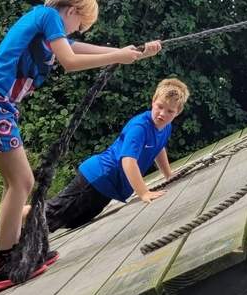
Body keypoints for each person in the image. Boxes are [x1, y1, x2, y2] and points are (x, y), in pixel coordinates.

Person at [0, 0, 161, 292]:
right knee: (22, 183)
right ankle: (4, 265)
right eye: (80, 23)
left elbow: (81, 49)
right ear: (74, 10)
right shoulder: (47, 16)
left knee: (18, 183)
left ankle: (8, 260)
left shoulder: (47, 28)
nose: (77, 31)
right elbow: (71, 60)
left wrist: (131, 53)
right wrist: (117, 56)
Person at [19, 77, 190, 234]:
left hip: (107, 188)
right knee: (52, 213)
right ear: (153, 101)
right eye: (160, 107)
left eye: (169, 111)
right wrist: (143, 192)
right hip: (97, 178)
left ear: (178, 112)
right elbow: (128, 161)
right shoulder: (140, 127)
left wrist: (168, 175)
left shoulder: (165, 128)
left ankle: (14, 229)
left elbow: (158, 148)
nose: (162, 114)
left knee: (72, 221)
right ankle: (2, 226)